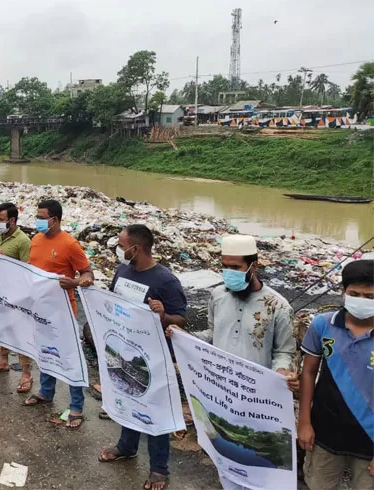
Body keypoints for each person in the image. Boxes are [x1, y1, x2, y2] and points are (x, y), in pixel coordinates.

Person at [167, 234, 298, 490]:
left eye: (235, 267)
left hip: (256, 399)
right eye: (224, 266)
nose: (229, 273)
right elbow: (214, 335)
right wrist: (185, 337)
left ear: (253, 266)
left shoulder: (277, 306)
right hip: (221, 394)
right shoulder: (217, 295)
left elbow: (284, 351)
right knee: (226, 458)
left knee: (259, 462)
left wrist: (281, 371)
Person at [98, 224, 188, 490]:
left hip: (154, 359)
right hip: (124, 350)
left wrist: (163, 316)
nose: (118, 249)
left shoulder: (165, 280)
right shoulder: (123, 271)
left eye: (122, 245)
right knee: (127, 396)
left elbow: (181, 320)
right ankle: (126, 446)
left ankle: (159, 468)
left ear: (136, 248)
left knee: (154, 409)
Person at [299, 259, 374, 490]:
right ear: (344, 292)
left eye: (370, 297)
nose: (362, 300)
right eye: (355, 293)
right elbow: (309, 373)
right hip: (325, 432)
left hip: (370, 437)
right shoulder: (323, 325)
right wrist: (304, 422)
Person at [23, 199, 94, 430]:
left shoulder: (70, 244)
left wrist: (75, 281)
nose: (38, 220)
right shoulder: (35, 240)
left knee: (70, 358)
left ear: (54, 219)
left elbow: (88, 274)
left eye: (42, 216)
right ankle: (46, 392)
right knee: (44, 351)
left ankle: (76, 407)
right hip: (39, 308)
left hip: (64, 312)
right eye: (37, 216)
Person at [0, 203, 34, 392]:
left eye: (1, 220)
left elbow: (28, 270)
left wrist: (8, 261)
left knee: (20, 334)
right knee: (2, 328)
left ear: (12, 220)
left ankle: (26, 372)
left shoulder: (23, 241)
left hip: (17, 295)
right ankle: (3, 361)